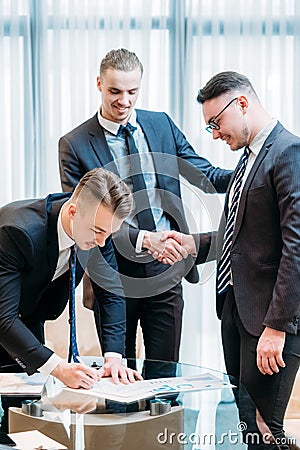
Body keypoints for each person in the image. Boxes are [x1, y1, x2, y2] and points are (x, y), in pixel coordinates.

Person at [59, 48, 232, 365]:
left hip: (165, 267)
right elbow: (85, 219)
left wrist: (255, 173)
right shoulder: (75, 145)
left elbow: (204, 174)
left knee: (165, 380)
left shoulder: (160, 125)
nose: (124, 100)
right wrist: (143, 239)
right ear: (99, 83)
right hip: (112, 275)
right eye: (115, 91)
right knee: (118, 378)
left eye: (132, 92)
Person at [157, 71, 300, 449]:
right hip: (237, 311)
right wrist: (192, 244)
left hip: (270, 320)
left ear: (241, 104)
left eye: (216, 124)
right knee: (247, 422)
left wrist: (277, 327)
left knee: (265, 426)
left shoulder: (289, 152)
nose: (216, 135)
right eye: (210, 128)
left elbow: (296, 247)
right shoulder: (249, 159)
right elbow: (244, 237)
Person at [0, 167, 141, 387]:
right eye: (97, 231)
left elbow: (111, 292)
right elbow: (3, 318)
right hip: (5, 318)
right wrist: (59, 369)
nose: (103, 242)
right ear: (73, 211)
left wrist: (114, 357)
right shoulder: (17, 231)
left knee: (25, 412)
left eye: (109, 233)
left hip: (28, 321)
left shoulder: (97, 230)